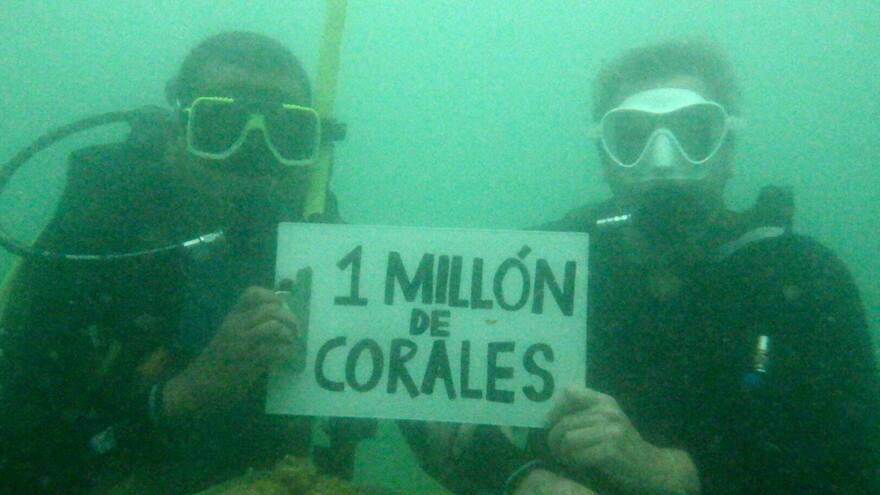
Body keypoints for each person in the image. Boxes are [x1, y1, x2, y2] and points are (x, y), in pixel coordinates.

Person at [401, 39, 880, 494]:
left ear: (730, 150)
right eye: (631, 138)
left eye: (694, 133)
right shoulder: (548, 261)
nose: (664, 160)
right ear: (605, 158)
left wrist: (669, 471)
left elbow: (852, 460)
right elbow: (412, 384)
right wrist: (523, 479)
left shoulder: (800, 279)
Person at [0, 31, 373, 494]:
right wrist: (186, 394)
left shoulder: (322, 240)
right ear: (177, 134)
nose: (252, 156)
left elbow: (395, 373)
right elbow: (20, 457)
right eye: (220, 126)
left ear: (313, 151)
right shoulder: (99, 239)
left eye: (287, 135)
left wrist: (453, 441)